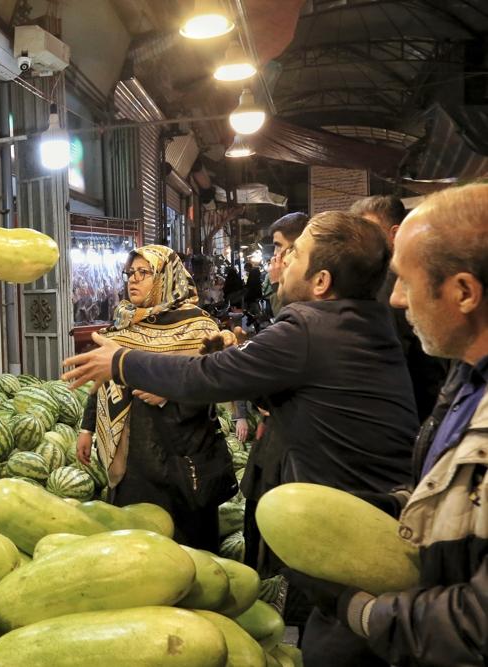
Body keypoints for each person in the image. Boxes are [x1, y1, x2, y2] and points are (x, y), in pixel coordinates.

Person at [62, 210, 419, 667]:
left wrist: (122, 363)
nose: (282, 262)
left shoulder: (309, 329)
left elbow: (208, 377)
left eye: (293, 255)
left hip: (349, 535)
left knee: (336, 646)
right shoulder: (360, 321)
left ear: (321, 281)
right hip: (376, 520)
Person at [286, 183, 488, 667]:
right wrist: (396, 505)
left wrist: (358, 610)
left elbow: (477, 624)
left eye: (405, 280)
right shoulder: (464, 379)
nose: (395, 300)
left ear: (463, 292)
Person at [77, 245, 235, 550]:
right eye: (130, 273)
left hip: (179, 456)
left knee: (184, 545)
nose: (133, 281)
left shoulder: (199, 328)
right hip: (131, 457)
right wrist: (87, 428)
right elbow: (102, 377)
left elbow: (217, 386)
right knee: (136, 542)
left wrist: (169, 391)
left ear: (167, 277)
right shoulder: (124, 323)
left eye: (144, 273)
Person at [350, 195, 448, 422]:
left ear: (394, 234)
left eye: (367, 232)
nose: (355, 243)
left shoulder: (389, 283)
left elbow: (389, 362)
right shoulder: (380, 279)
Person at [264, 212, 309, 317]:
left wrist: (276, 284)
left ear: (296, 247)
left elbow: (286, 322)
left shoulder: (305, 281)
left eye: (278, 246)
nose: (275, 253)